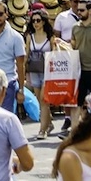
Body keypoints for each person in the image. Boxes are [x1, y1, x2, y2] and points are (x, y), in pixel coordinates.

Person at [23, 8, 60, 138]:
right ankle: (49, 123)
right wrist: (23, 69)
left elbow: (54, 53)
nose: (35, 23)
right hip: (34, 70)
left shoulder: (50, 37)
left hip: (47, 71)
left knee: (44, 100)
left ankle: (42, 130)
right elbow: (26, 54)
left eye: (38, 20)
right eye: (33, 21)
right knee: (40, 100)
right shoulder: (30, 37)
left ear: (44, 22)